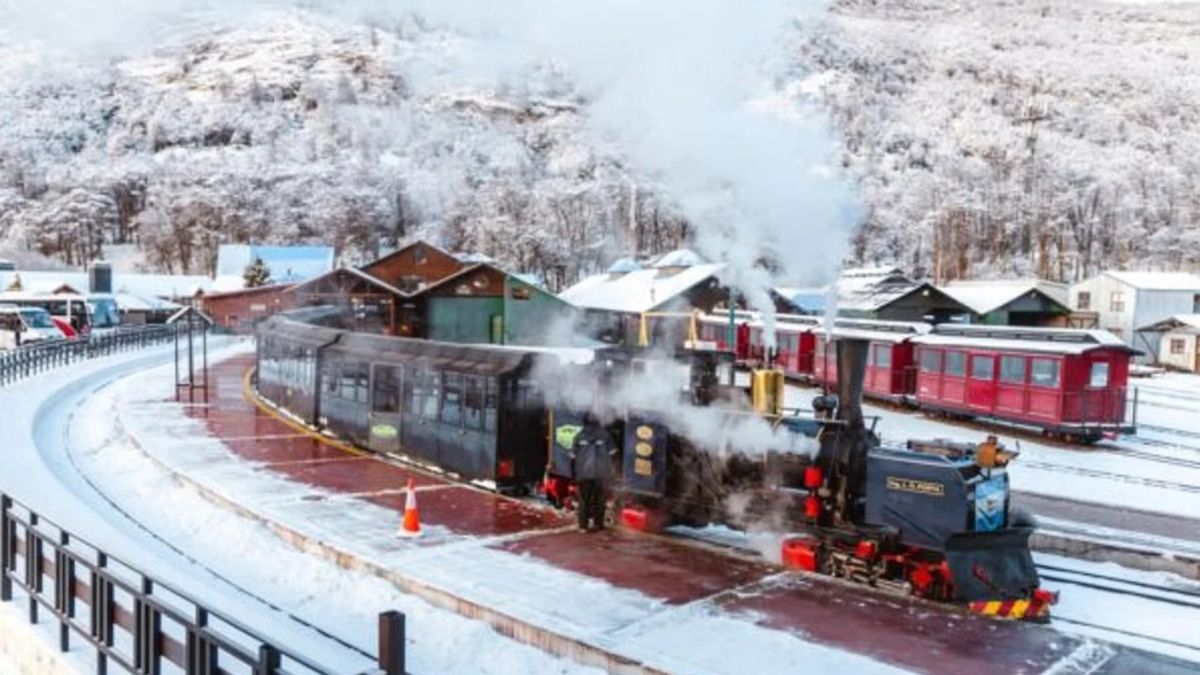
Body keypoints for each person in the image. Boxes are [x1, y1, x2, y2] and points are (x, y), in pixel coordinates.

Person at [570, 414, 617, 533]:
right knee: (599, 500)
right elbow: (613, 454)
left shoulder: (579, 436)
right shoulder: (605, 435)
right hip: (601, 474)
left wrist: (573, 474)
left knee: (584, 501)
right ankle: (598, 524)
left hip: (583, 474)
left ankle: (583, 527)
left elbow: (572, 457)